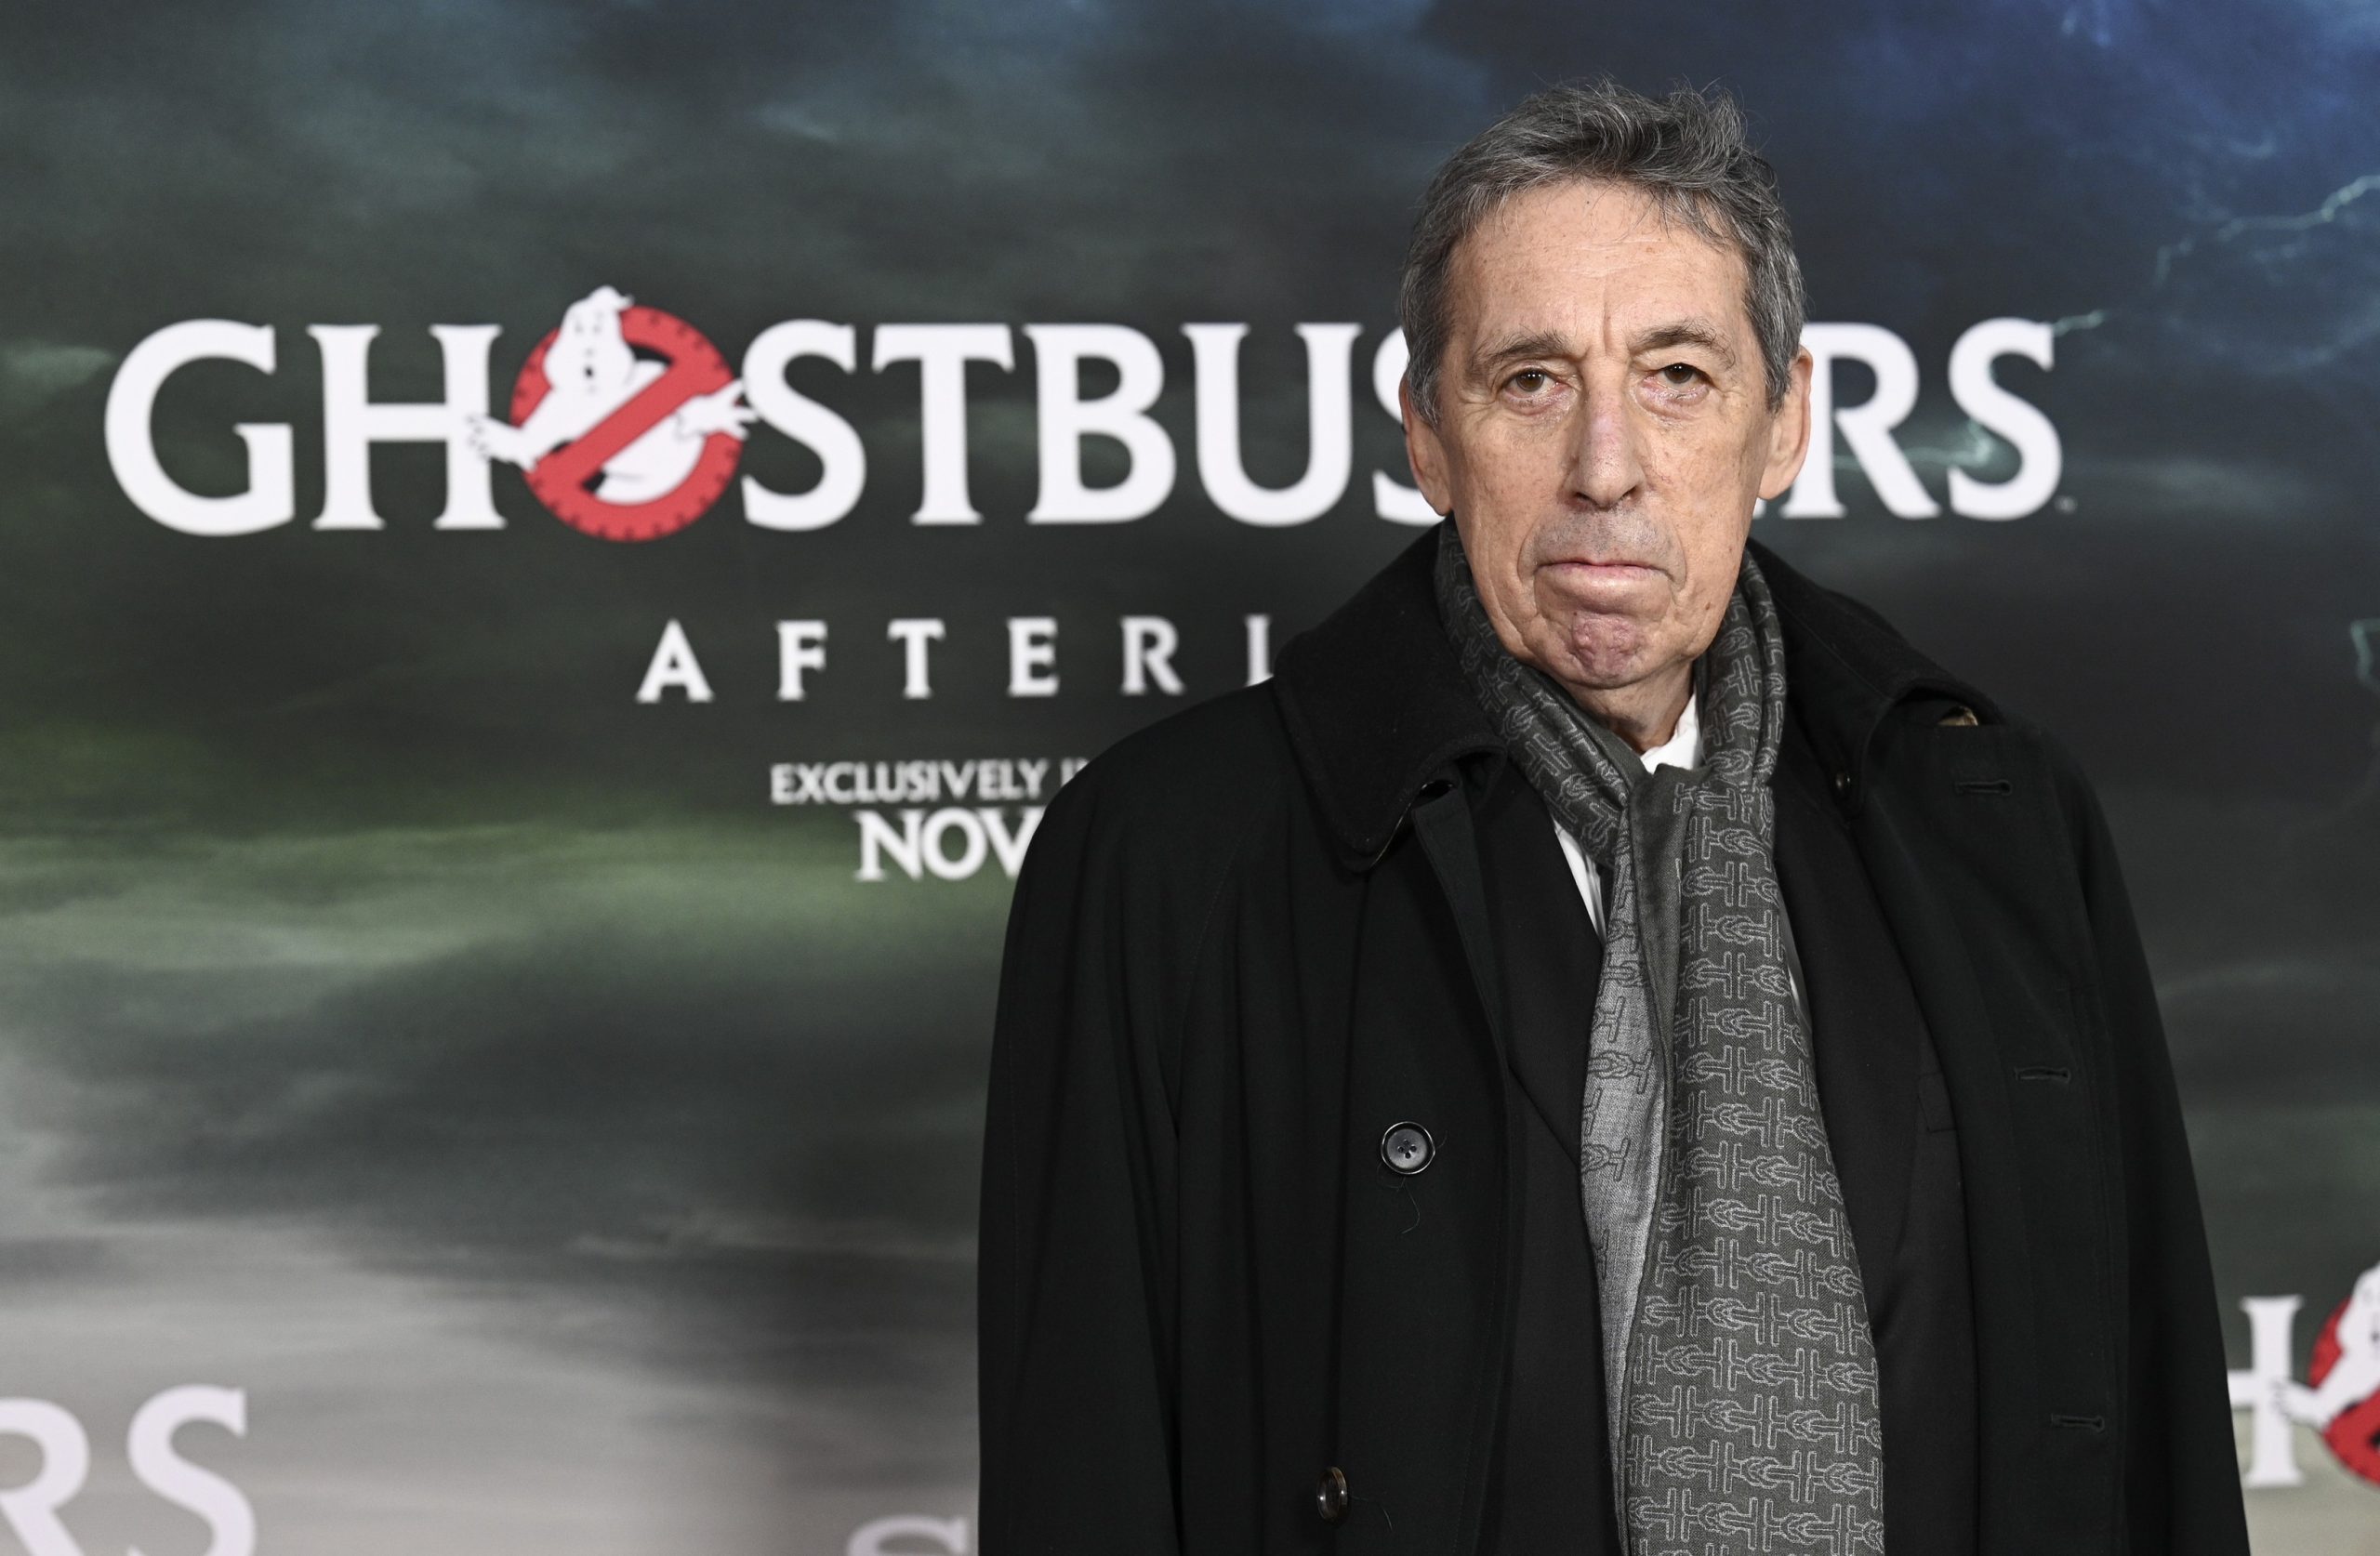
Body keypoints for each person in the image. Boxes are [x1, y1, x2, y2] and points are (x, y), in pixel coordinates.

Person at [977, 79, 2247, 1556]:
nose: (1605, 466)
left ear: (1785, 421)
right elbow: (1081, 1469)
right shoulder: (1164, 859)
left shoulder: (2003, 823)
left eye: (1677, 375)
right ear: (1427, 433)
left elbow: (2147, 1426)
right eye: (1530, 380)